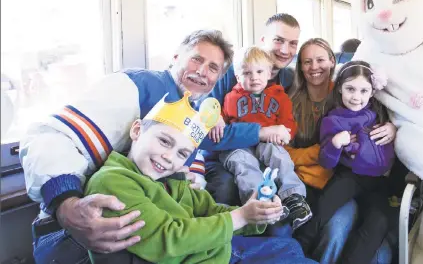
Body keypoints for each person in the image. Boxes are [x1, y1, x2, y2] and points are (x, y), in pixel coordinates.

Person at [21, 30, 279, 262]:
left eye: (213, 68)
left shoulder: (192, 113)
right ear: (176, 57)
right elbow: (50, 138)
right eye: (196, 59)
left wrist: (253, 213)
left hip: (157, 236)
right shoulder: (136, 86)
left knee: (283, 248)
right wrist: (66, 205)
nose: (202, 71)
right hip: (76, 237)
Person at [84, 92, 314, 264]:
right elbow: (169, 239)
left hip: (213, 251)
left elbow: (212, 212)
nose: (168, 157)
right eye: (164, 141)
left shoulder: (173, 179)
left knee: (289, 248)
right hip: (193, 256)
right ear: (137, 131)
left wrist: (256, 215)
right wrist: (241, 216)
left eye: (182, 154)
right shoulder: (113, 181)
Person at [286, 38, 398, 264]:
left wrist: (393, 128)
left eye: (363, 90)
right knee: (321, 212)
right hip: (348, 177)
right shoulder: (333, 119)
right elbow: (327, 161)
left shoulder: (379, 112)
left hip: (378, 183)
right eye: (350, 89)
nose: (356, 96)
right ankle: (295, 254)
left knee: (378, 222)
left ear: (372, 91)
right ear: (340, 89)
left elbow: (404, 124)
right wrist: (336, 143)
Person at [205, 13, 301, 207]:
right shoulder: (233, 72)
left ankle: (292, 205)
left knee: (279, 169)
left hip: (267, 149)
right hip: (227, 152)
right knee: (226, 186)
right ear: (264, 40)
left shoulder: (288, 79)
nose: (285, 50)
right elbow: (210, 128)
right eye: (278, 40)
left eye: (292, 43)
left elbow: (286, 121)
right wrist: (212, 112)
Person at [215, 46, 312, 230]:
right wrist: (217, 119)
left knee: (278, 155)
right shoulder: (230, 98)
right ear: (237, 77)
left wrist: (286, 133)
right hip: (238, 147)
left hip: (268, 142)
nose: (254, 77)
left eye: (259, 71)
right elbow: (221, 123)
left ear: (268, 74)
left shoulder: (279, 96)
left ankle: (293, 198)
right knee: (244, 165)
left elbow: (288, 122)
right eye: (247, 73)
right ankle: (260, 203)